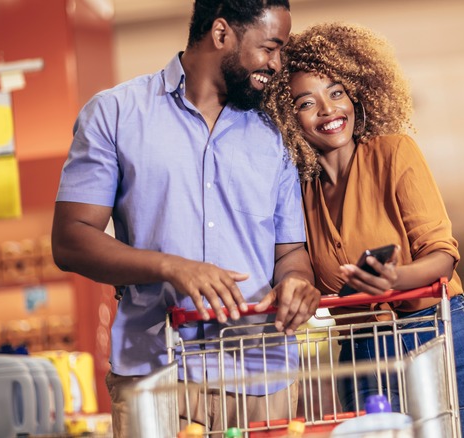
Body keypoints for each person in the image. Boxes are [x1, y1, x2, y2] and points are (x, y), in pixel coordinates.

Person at [51, 1, 320, 436]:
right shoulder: (115, 115)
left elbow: (290, 251)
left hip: (261, 373)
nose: (277, 64)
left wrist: (296, 280)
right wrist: (169, 266)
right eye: (270, 48)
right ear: (220, 34)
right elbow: (70, 239)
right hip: (157, 373)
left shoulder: (275, 134)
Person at [263, 22, 464, 436]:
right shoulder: (299, 194)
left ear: (357, 93)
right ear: (289, 119)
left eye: (336, 92)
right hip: (364, 362)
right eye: (307, 102)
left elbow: (442, 257)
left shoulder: (395, 152)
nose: (328, 110)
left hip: (442, 344)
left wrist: (395, 280)